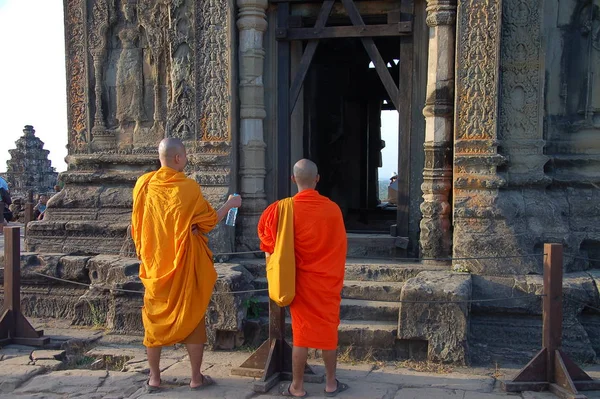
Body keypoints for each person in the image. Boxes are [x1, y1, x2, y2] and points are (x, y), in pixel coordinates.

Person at [131, 138, 242, 392]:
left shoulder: (143, 185)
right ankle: (195, 378)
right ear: (179, 158)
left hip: (156, 263)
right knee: (192, 318)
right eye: (185, 156)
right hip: (184, 262)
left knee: (153, 319)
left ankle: (155, 379)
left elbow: (137, 226)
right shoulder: (188, 187)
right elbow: (209, 222)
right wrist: (230, 204)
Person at [258, 159, 349, 398]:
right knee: (329, 331)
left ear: (293, 179)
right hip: (326, 281)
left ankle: (297, 387)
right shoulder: (332, 209)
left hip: (297, 281)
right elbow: (340, 247)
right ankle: (331, 383)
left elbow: (266, 242)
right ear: (317, 179)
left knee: (302, 333)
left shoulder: (280, 209)